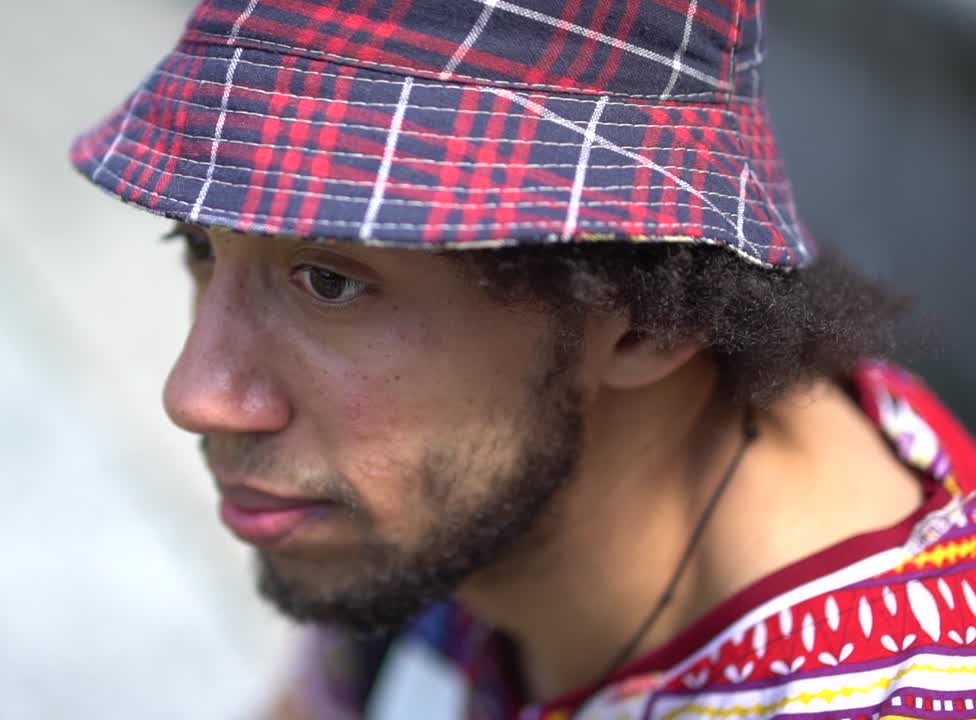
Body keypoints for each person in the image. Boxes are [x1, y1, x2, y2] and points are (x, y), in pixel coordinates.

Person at [70, 0, 976, 717]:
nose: (197, 395)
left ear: (641, 317)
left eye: (329, 282)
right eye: (197, 246)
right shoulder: (436, 511)